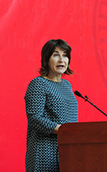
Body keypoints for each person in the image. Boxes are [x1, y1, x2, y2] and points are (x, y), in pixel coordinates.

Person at [24, 39, 78, 171]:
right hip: (44, 152)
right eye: (56, 55)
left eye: (65, 55)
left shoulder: (67, 85)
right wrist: (64, 130)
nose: (61, 60)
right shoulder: (38, 84)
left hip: (67, 148)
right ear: (46, 59)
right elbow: (35, 118)